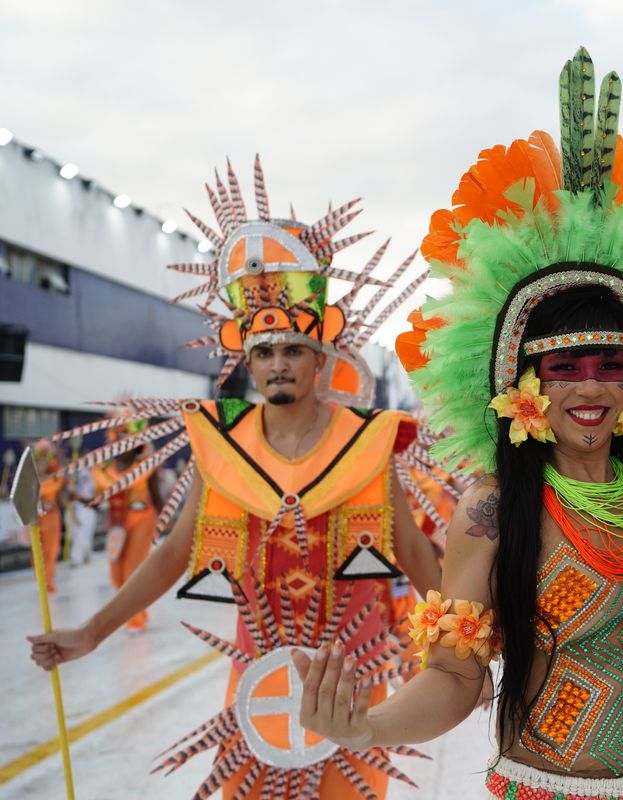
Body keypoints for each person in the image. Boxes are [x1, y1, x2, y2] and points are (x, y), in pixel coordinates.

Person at [297, 48, 623, 800]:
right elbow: (455, 676)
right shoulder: (492, 511)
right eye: (565, 366)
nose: (591, 386)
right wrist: (369, 728)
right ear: (524, 386)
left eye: (610, 365)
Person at [28, 157, 446, 797]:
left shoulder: (367, 441)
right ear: (247, 363)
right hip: (258, 682)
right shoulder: (222, 447)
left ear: (318, 359)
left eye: (294, 350)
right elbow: (173, 553)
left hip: (351, 675)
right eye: (265, 351)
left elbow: (414, 552)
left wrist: (467, 647)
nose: (279, 363)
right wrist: (91, 631)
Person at [93, 443, 162, 632]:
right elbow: (97, 499)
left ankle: (135, 620)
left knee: (132, 571)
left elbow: (156, 494)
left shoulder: (146, 466)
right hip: (116, 526)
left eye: (127, 441)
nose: (123, 446)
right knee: (116, 574)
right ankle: (136, 611)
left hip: (142, 520)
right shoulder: (104, 471)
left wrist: (165, 519)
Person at [30, 443, 65, 592]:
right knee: (36, 551)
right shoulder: (30, 481)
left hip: (51, 517)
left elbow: (60, 481)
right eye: (39, 462)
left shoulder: (53, 478)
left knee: (51, 550)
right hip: (36, 519)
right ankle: (41, 580)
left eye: (45, 461)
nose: (42, 465)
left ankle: (48, 582)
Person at [67, 459, 99, 567]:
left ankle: (86, 555)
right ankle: (76, 558)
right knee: (79, 534)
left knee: (87, 533)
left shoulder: (94, 472)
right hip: (80, 507)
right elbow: (72, 491)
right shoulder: (79, 473)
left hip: (90, 508)